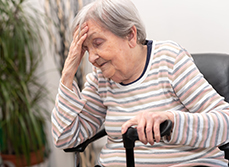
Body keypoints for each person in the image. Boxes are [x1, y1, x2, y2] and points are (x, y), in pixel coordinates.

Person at [51, 0, 229, 166]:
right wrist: (67, 74)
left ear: (130, 35)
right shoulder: (101, 79)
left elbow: (225, 123)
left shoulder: (169, 59)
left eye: (98, 43)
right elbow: (66, 138)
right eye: (86, 49)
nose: (92, 58)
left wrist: (170, 119)